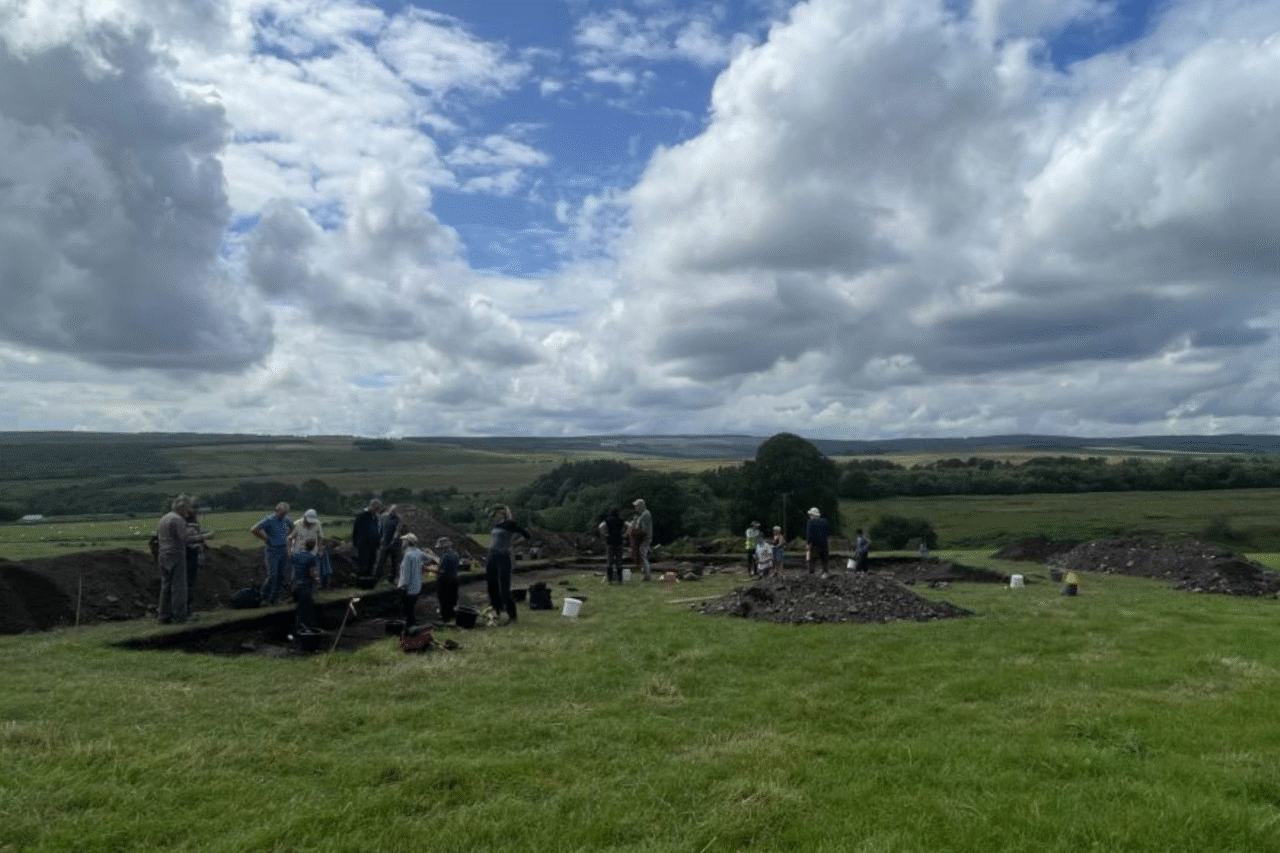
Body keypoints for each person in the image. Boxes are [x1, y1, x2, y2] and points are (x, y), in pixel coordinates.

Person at [156, 495, 204, 624]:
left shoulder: (164, 518)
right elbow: (185, 539)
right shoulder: (178, 520)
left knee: (166, 586)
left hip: (163, 554)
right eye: (188, 508)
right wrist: (203, 537)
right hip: (176, 555)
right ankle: (180, 616)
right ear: (183, 508)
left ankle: (163, 615)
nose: (189, 511)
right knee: (179, 586)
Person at [486, 505, 530, 622]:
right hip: (492, 555)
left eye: (497, 514)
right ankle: (496, 611)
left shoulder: (510, 524)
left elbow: (526, 535)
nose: (495, 516)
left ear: (503, 514)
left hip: (503, 556)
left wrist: (513, 544)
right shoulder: (497, 525)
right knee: (492, 585)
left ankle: (512, 615)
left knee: (503, 587)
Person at [251, 502, 294, 605]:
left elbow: (293, 528)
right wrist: (266, 538)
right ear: (277, 511)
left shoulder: (287, 520)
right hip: (272, 550)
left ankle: (275, 598)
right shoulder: (269, 520)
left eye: (285, 513)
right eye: (282, 513)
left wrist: (287, 536)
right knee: (272, 575)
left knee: (281, 576)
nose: (283, 515)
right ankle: (264, 598)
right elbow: (254, 529)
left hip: (283, 549)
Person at [182, 500, 214, 615]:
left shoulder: (187, 522)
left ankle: (187, 608)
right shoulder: (187, 523)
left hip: (190, 555)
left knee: (189, 583)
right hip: (189, 556)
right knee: (188, 583)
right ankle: (186, 609)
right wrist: (204, 537)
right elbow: (189, 540)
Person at [290, 509, 331, 588]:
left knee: (314, 569)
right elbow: (292, 537)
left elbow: (320, 537)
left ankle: (314, 586)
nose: (310, 523)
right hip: (299, 550)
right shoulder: (298, 524)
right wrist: (291, 549)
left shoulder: (317, 525)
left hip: (313, 550)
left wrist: (320, 548)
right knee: (298, 570)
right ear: (305, 518)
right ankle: (296, 586)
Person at [396, 532, 426, 629]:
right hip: (417, 584)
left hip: (409, 586)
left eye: (404, 541)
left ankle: (409, 628)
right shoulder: (419, 552)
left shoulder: (408, 555)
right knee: (411, 607)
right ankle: (411, 625)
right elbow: (427, 561)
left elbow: (406, 572)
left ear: (407, 542)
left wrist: (403, 585)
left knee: (407, 609)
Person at [350, 499, 383, 581]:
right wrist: (356, 543)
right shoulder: (362, 516)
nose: (376, 510)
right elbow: (356, 530)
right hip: (363, 544)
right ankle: (361, 580)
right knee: (363, 562)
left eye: (378, 509)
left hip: (373, 544)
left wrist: (378, 541)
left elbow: (377, 530)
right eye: (376, 508)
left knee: (372, 562)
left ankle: (369, 579)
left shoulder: (376, 517)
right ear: (371, 506)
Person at [291, 539, 320, 631]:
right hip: (306, 586)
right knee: (305, 608)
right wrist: (317, 579)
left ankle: (298, 626)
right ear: (313, 547)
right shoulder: (311, 557)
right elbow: (311, 573)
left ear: (304, 545)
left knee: (299, 607)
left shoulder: (296, 555)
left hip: (296, 585)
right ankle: (303, 626)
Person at [433, 536, 461, 623]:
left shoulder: (445, 556)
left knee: (443, 598)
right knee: (452, 597)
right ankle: (452, 613)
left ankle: (445, 616)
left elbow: (442, 570)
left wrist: (433, 571)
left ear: (443, 547)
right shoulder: (455, 554)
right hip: (454, 578)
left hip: (445, 580)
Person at [598, 508, 626, 583]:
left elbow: (600, 526)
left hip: (610, 542)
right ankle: (620, 579)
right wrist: (625, 534)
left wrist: (605, 534)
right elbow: (630, 525)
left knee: (610, 561)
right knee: (619, 561)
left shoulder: (608, 520)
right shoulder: (621, 520)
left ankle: (610, 579)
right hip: (619, 541)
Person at [376, 504, 402, 582]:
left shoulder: (399, 519)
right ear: (389, 509)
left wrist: (395, 538)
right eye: (392, 510)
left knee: (394, 562)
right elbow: (380, 528)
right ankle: (377, 577)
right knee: (380, 560)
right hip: (384, 542)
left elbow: (398, 530)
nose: (393, 511)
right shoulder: (383, 517)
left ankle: (392, 578)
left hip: (395, 544)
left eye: (395, 510)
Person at [630, 498, 653, 581]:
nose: (635, 508)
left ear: (641, 506)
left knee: (643, 556)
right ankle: (645, 574)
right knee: (643, 555)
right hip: (644, 538)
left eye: (636, 506)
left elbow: (644, 529)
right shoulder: (644, 514)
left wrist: (635, 529)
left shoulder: (645, 515)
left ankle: (646, 575)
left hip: (644, 538)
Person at [805, 506, 830, 575]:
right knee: (824, 559)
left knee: (812, 560)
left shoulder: (810, 522)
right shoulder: (825, 521)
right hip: (824, 543)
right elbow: (827, 532)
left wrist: (808, 543)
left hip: (815, 544)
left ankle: (811, 573)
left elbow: (809, 534)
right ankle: (825, 572)